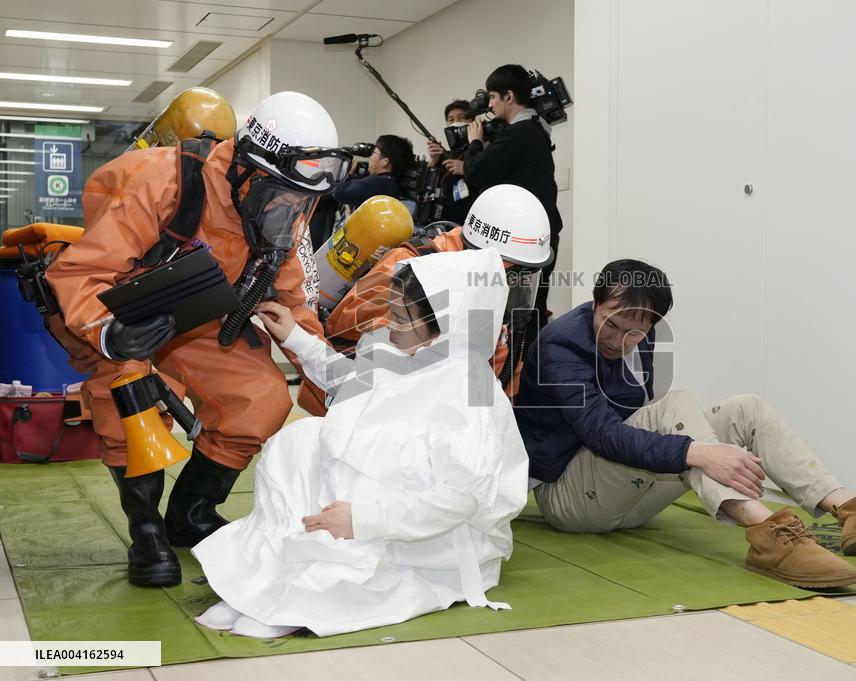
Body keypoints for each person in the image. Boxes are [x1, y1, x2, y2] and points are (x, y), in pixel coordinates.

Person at [44, 91, 351, 588]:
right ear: (247, 170)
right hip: (122, 318)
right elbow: (83, 271)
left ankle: (189, 514)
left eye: (302, 201)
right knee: (131, 400)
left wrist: (335, 385)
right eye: (284, 194)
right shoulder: (162, 182)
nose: (291, 209)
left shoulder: (283, 216)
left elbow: (295, 303)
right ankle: (146, 532)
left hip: (202, 321)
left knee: (262, 397)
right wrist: (109, 332)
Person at [514, 259, 856, 588]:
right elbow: (602, 434)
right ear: (594, 303)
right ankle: (770, 534)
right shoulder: (561, 345)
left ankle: (855, 512)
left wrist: (697, 452)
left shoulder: (642, 338)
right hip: (571, 498)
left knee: (745, 408)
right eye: (611, 324)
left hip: (623, 492)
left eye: (636, 330)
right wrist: (697, 452)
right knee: (679, 409)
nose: (620, 339)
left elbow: (636, 415)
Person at [191, 248, 528, 638]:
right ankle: (274, 576)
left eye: (401, 317)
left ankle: (310, 587)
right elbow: (351, 381)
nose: (391, 325)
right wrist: (296, 337)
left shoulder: (471, 391)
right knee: (302, 440)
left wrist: (364, 519)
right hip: (368, 507)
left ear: (443, 323)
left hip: (427, 531)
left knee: (370, 458)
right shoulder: (408, 350)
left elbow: (461, 497)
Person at [324, 184, 551, 396]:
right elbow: (344, 332)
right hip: (372, 399)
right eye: (509, 276)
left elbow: (502, 374)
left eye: (525, 277)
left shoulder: (492, 295)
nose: (515, 286)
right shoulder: (408, 269)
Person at [458, 64, 563, 335]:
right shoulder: (536, 130)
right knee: (531, 308)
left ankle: (520, 360)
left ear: (509, 96)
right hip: (538, 237)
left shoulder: (519, 132)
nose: (489, 104)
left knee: (516, 315)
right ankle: (530, 359)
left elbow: (476, 172)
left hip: (521, 244)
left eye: (493, 97)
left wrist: (475, 142)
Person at [330, 134, 414, 210]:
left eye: (374, 153)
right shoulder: (392, 185)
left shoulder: (378, 183)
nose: (369, 158)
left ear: (384, 162)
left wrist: (347, 172)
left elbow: (339, 193)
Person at [427, 99, 478, 224]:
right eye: (451, 119)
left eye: (461, 118)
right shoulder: (445, 155)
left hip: (474, 218)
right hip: (447, 221)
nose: (456, 123)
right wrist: (433, 162)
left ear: (472, 121)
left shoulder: (481, 150)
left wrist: (466, 168)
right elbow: (428, 190)